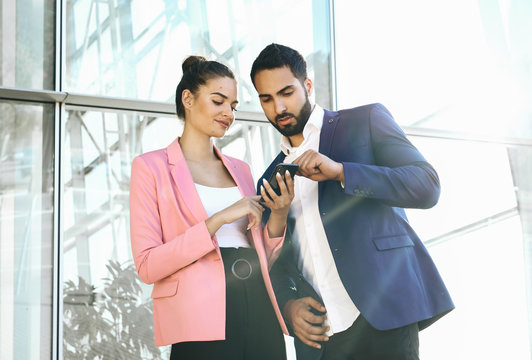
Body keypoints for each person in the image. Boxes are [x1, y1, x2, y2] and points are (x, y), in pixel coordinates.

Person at [250, 43, 455, 360]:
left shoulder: (364, 122)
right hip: (325, 340)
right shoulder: (269, 179)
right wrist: (288, 306)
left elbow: (427, 185)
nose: (278, 108)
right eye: (267, 99)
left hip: (386, 314)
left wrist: (342, 172)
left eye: (286, 92)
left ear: (307, 86)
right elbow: (274, 264)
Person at [130, 55, 295, 360]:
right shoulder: (150, 168)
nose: (228, 113)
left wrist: (280, 214)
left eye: (233, 106)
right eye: (218, 101)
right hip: (200, 315)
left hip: (259, 304)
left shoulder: (241, 169)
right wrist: (217, 220)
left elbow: (264, 251)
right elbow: (148, 265)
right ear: (188, 99)